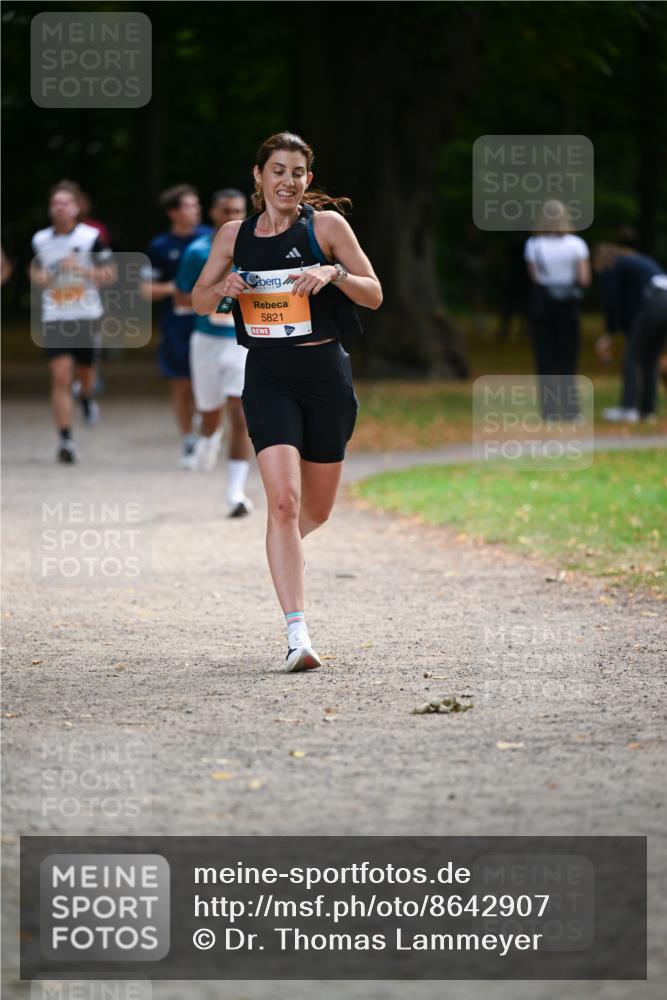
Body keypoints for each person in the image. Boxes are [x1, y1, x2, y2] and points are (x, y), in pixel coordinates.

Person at [193, 132, 382, 672]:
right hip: (269, 376)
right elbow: (200, 299)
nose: (287, 181)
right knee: (283, 504)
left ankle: (282, 550)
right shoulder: (234, 234)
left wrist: (335, 272)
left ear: (308, 180)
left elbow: (374, 292)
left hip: (325, 376)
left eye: (297, 172)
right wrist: (223, 286)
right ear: (259, 176)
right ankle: (297, 635)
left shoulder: (326, 228)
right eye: (277, 170)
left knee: (314, 511)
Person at [175, 189, 253, 516]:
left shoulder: (258, 247)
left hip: (242, 342)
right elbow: (182, 300)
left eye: (238, 210)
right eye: (225, 210)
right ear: (213, 213)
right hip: (206, 342)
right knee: (211, 414)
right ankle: (208, 435)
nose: (232, 216)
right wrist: (217, 294)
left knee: (239, 412)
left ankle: (235, 493)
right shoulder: (197, 252)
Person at [30, 180, 114, 463]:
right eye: (56, 203)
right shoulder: (40, 239)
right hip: (55, 315)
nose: (61, 208)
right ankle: (65, 439)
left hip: (86, 315)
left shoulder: (91, 237)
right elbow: (37, 277)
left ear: (77, 207)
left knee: (85, 374)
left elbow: (109, 274)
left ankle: (87, 396)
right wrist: (48, 278)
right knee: (60, 376)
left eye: (66, 202)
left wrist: (80, 269)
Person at [140, 184, 211, 469]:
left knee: (203, 383)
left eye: (196, 205)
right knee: (181, 384)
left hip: (207, 321)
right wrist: (176, 288)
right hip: (176, 324)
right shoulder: (160, 247)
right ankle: (188, 438)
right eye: (187, 206)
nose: (194, 210)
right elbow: (146, 290)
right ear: (172, 212)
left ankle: (207, 433)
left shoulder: (211, 238)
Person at [524, 201, 591, 421]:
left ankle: (549, 411)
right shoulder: (576, 244)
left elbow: (534, 277)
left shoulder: (533, 244)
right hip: (568, 304)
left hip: (542, 303)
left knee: (545, 358)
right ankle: (571, 410)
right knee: (568, 357)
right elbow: (583, 278)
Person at [593, 241, 665, 422]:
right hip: (662, 299)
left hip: (655, 302)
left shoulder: (613, 265)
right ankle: (648, 410)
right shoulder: (636, 261)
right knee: (650, 357)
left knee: (632, 355)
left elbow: (612, 299)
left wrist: (609, 333)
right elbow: (633, 305)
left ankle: (628, 408)